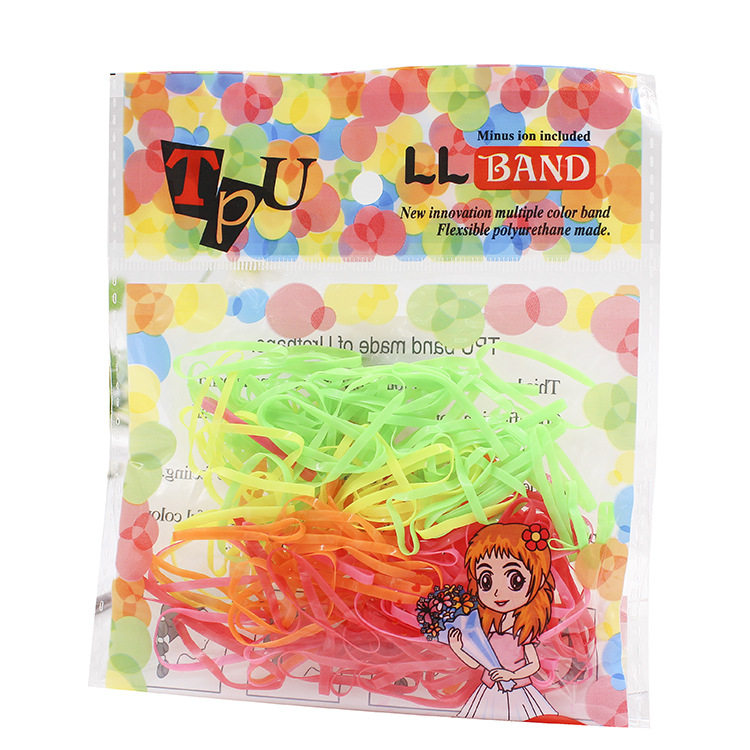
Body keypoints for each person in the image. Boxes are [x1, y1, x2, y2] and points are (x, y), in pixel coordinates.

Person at [449, 522, 557, 720]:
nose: (498, 593)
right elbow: (476, 663)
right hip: (489, 690)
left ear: (539, 579)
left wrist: (512, 675)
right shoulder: (488, 629)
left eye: (515, 580)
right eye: (486, 581)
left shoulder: (522, 631)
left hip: (517, 690)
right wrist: (458, 648)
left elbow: (533, 665)